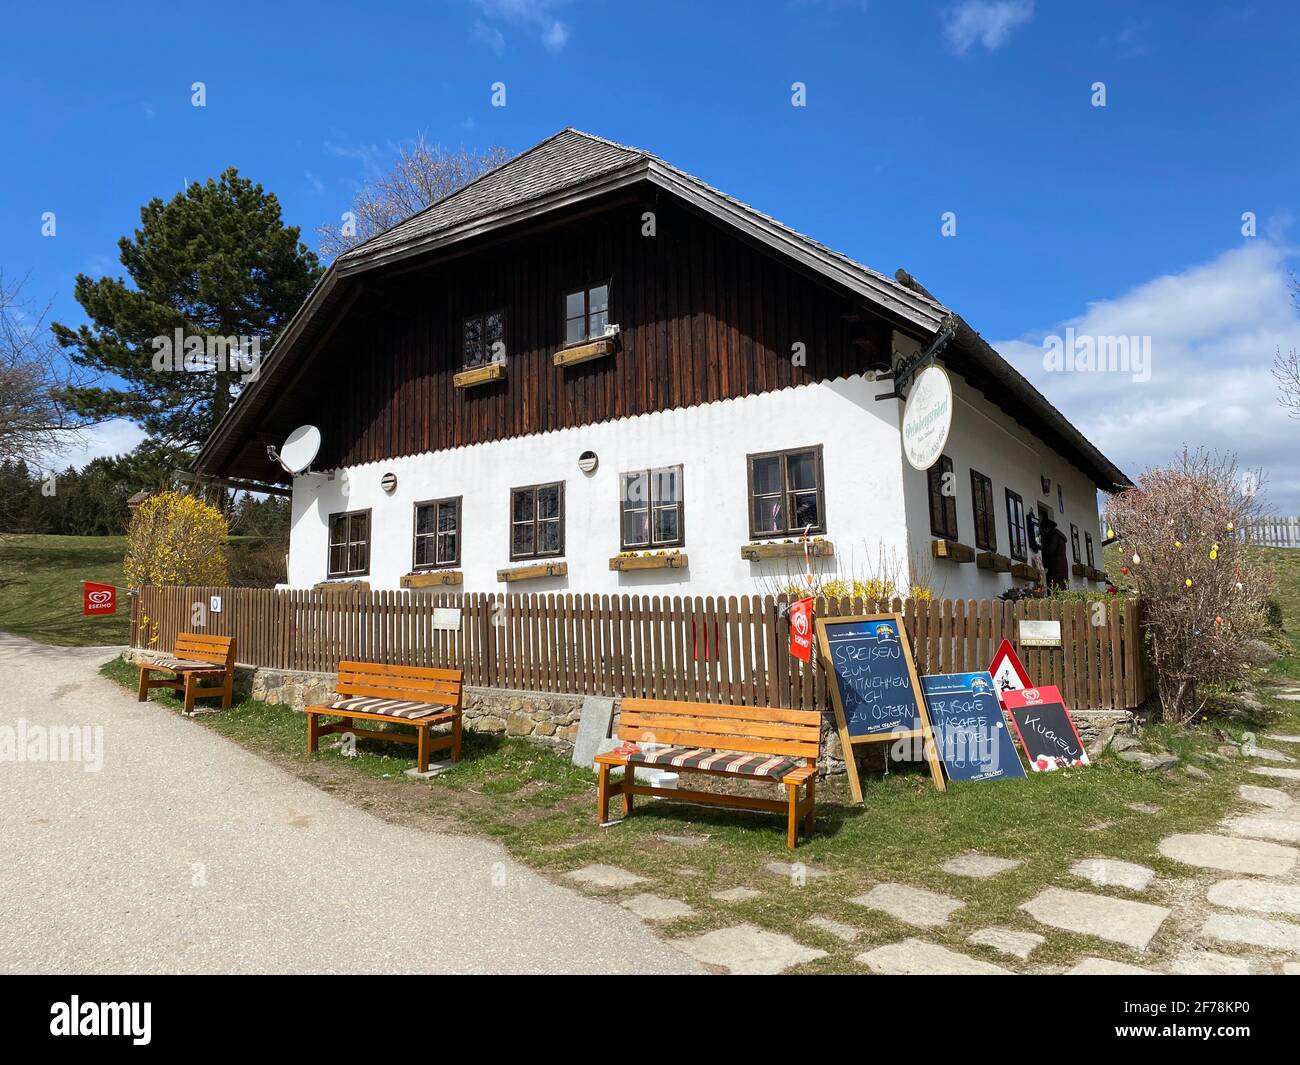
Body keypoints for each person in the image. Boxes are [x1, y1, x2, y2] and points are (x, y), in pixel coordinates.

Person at [1039, 516, 1070, 590]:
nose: (1043, 531)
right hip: (1061, 566)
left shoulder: (1054, 537)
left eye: (1043, 529)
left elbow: (1050, 550)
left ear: (1047, 528)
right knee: (1061, 586)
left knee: (1055, 588)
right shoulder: (1058, 536)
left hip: (1056, 567)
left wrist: (1041, 548)